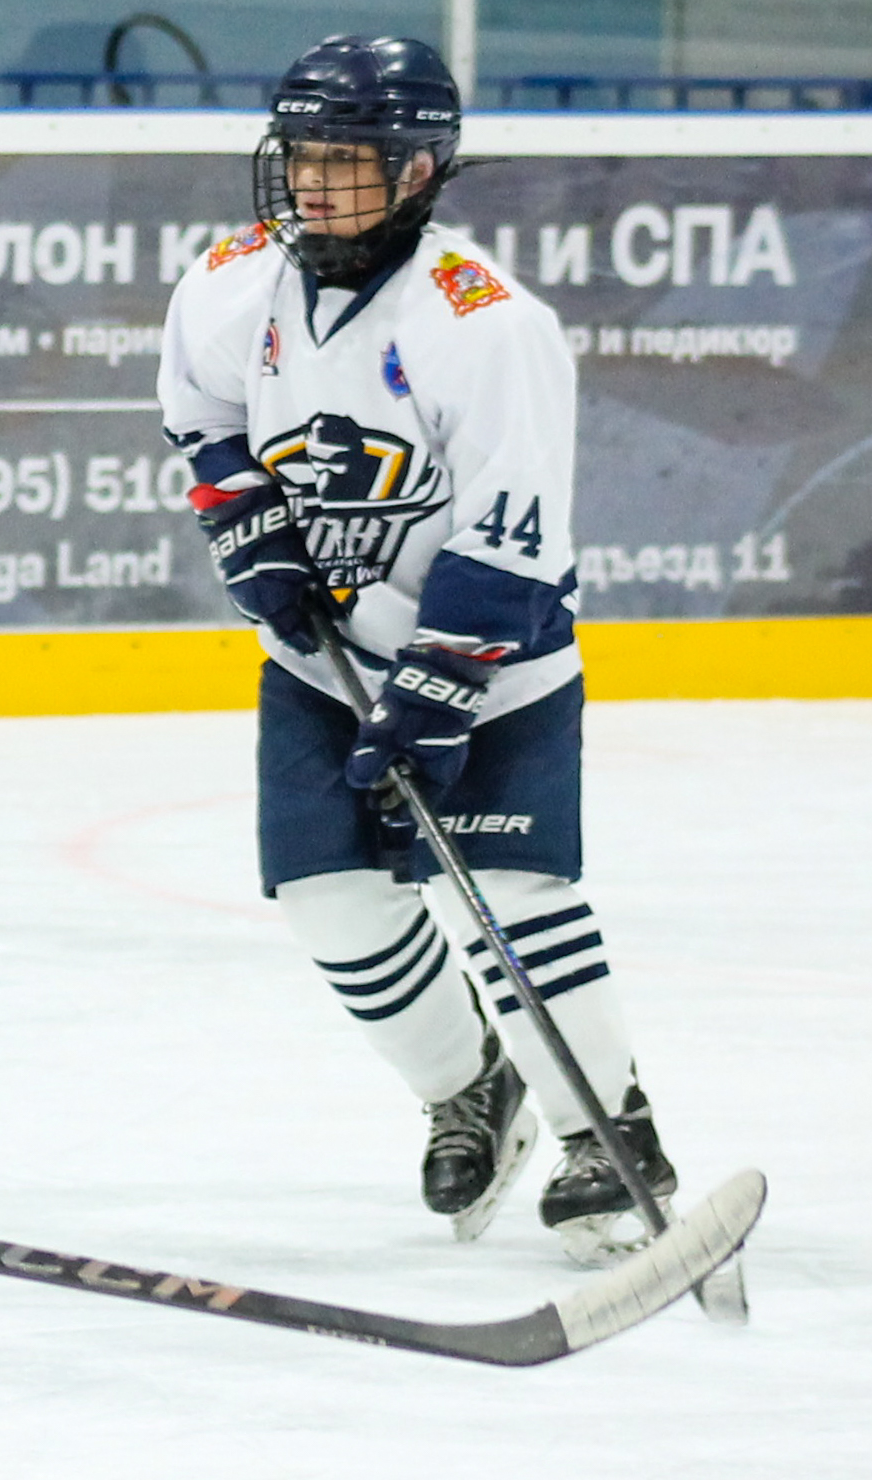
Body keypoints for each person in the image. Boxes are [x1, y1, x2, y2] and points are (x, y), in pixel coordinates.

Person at [157, 34, 684, 1259]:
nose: (316, 185)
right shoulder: (233, 280)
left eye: (350, 161)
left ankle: (611, 1139)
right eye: (303, 157)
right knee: (329, 903)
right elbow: (202, 412)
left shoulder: (486, 324)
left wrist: (436, 693)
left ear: (421, 170)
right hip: (322, 664)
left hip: (493, 671)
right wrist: (250, 530)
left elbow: (512, 531)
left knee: (513, 894)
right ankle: (470, 1092)